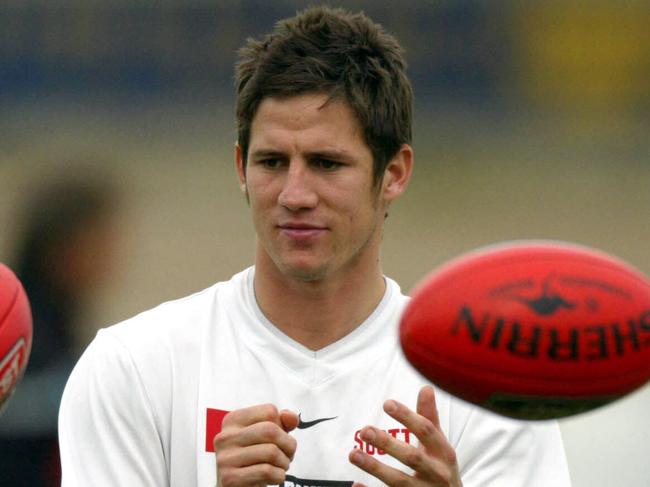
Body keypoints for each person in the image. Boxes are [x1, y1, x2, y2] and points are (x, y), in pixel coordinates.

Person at [58, 6, 571, 486]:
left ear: (393, 173)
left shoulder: (487, 391)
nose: (295, 195)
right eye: (272, 162)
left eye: (327, 163)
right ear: (240, 167)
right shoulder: (134, 368)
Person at [0, 174, 118, 487]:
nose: (111, 260)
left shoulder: (61, 321)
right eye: (101, 244)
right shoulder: (22, 329)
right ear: (63, 249)